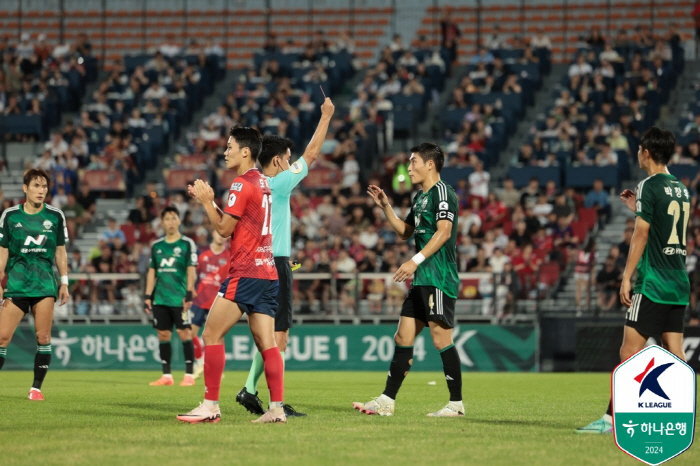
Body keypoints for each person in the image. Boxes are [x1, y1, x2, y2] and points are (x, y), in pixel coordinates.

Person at [576, 127, 690, 434]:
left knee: (628, 352)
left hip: (653, 281)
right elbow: (664, 228)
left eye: (640, 148)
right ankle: (681, 417)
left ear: (648, 153)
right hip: (679, 279)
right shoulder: (680, 188)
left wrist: (626, 277)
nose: (637, 153)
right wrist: (637, 207)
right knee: (676, 354)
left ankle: (611, 420)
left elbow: (641, 234)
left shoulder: (650, 184)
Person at [178, 126, 285, 424]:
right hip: (267, 272)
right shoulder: (264, 182)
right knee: (268, 344)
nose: (225, 152)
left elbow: (224, 230)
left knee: (211, 333)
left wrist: (206, 202)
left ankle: (210, 405)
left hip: (246, 272)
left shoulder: (241, 183)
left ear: (245, 151)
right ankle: (276, 409)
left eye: (229, 147)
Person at [236, 97, 334, 417]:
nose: (292, 163)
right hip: (276, 263)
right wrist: (326, 116)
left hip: (263, 260)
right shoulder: (278, 184)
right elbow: (314, 153)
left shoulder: (255, 183)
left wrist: (292, 262)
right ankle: (263, 395)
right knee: (279, 336)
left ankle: (250, 389)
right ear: (278, 161)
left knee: (269, 333)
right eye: (288, 158)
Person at [354, 143, 463, 417]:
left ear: (430, 164)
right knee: (402, 336)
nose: (409, 167)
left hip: (438, 276)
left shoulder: (443, 193)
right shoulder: (420, 197)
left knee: (440, 338)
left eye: (414, 162)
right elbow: (406, 232)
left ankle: (456, 404)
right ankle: (387, 401)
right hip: (422, 278)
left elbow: (445, 232)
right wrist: (387, 208)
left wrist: (414, 261)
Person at [0, 169, 70, 400]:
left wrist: (64, 282)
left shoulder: (55, 216)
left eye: (44, 187)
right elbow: (3, 252)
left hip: (44, 286)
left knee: (43, 337)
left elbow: (60, 251)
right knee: (2, 337)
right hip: (17, 285)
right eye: (36, 186)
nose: (41, 191)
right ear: (25, 188)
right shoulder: (10, 216)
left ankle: (36, 388)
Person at [144, 206, 198, 387]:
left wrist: (189, 293)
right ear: (162, 222)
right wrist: (147, 295)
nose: (171, 222)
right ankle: (167, 376)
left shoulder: (186, 243)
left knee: (185, 333)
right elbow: (152, 272)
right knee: (163, 335)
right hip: (160, 298)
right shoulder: (157, 246)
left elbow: (191, 270)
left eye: (174, 218)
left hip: (179, 298)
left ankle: (189, 375)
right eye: (167, 219)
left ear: (179, 221)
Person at [190, 231, 230, 379]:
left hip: (218, 301)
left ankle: (217, 369)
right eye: (217, 232)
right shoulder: (202, 254)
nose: (220, 235)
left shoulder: (229, 257)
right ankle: (199, 364)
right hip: (200, 300)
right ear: (212, 233)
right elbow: (192, 274)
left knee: (217, 336)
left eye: (223, 233)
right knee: (191, 332)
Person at [574, 240, 596, 311]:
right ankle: (586, 306)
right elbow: (592, 264)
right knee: (587, 290)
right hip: (585, 272)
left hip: (578, 271)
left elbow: (576, 259)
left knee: (579, 289)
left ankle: (578, 307)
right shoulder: (591, 253)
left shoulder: (580, 251)